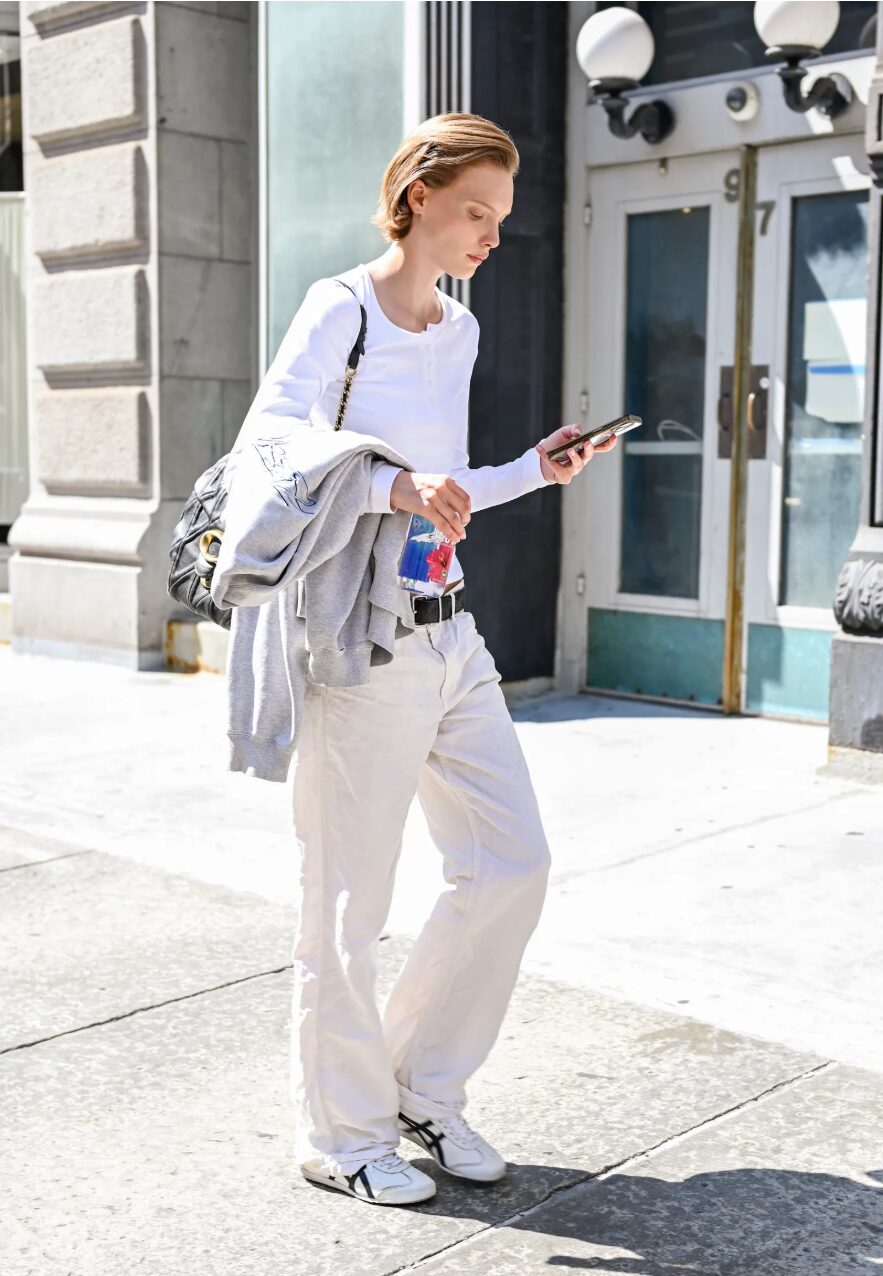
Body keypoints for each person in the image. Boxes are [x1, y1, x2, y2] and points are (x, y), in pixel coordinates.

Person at [287, 112, 618, 1207]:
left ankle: (421, 1085)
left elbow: (449, 488)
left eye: (501, 218)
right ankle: (341, 1134)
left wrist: (532, 470)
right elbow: (270, 447)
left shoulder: (459, 329)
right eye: (476, 210)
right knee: (349, 900)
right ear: (417, 194)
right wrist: (392, 486)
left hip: (450, 628)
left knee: (510, 862)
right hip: (361, 635)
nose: (489, 234)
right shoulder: (340, 308)